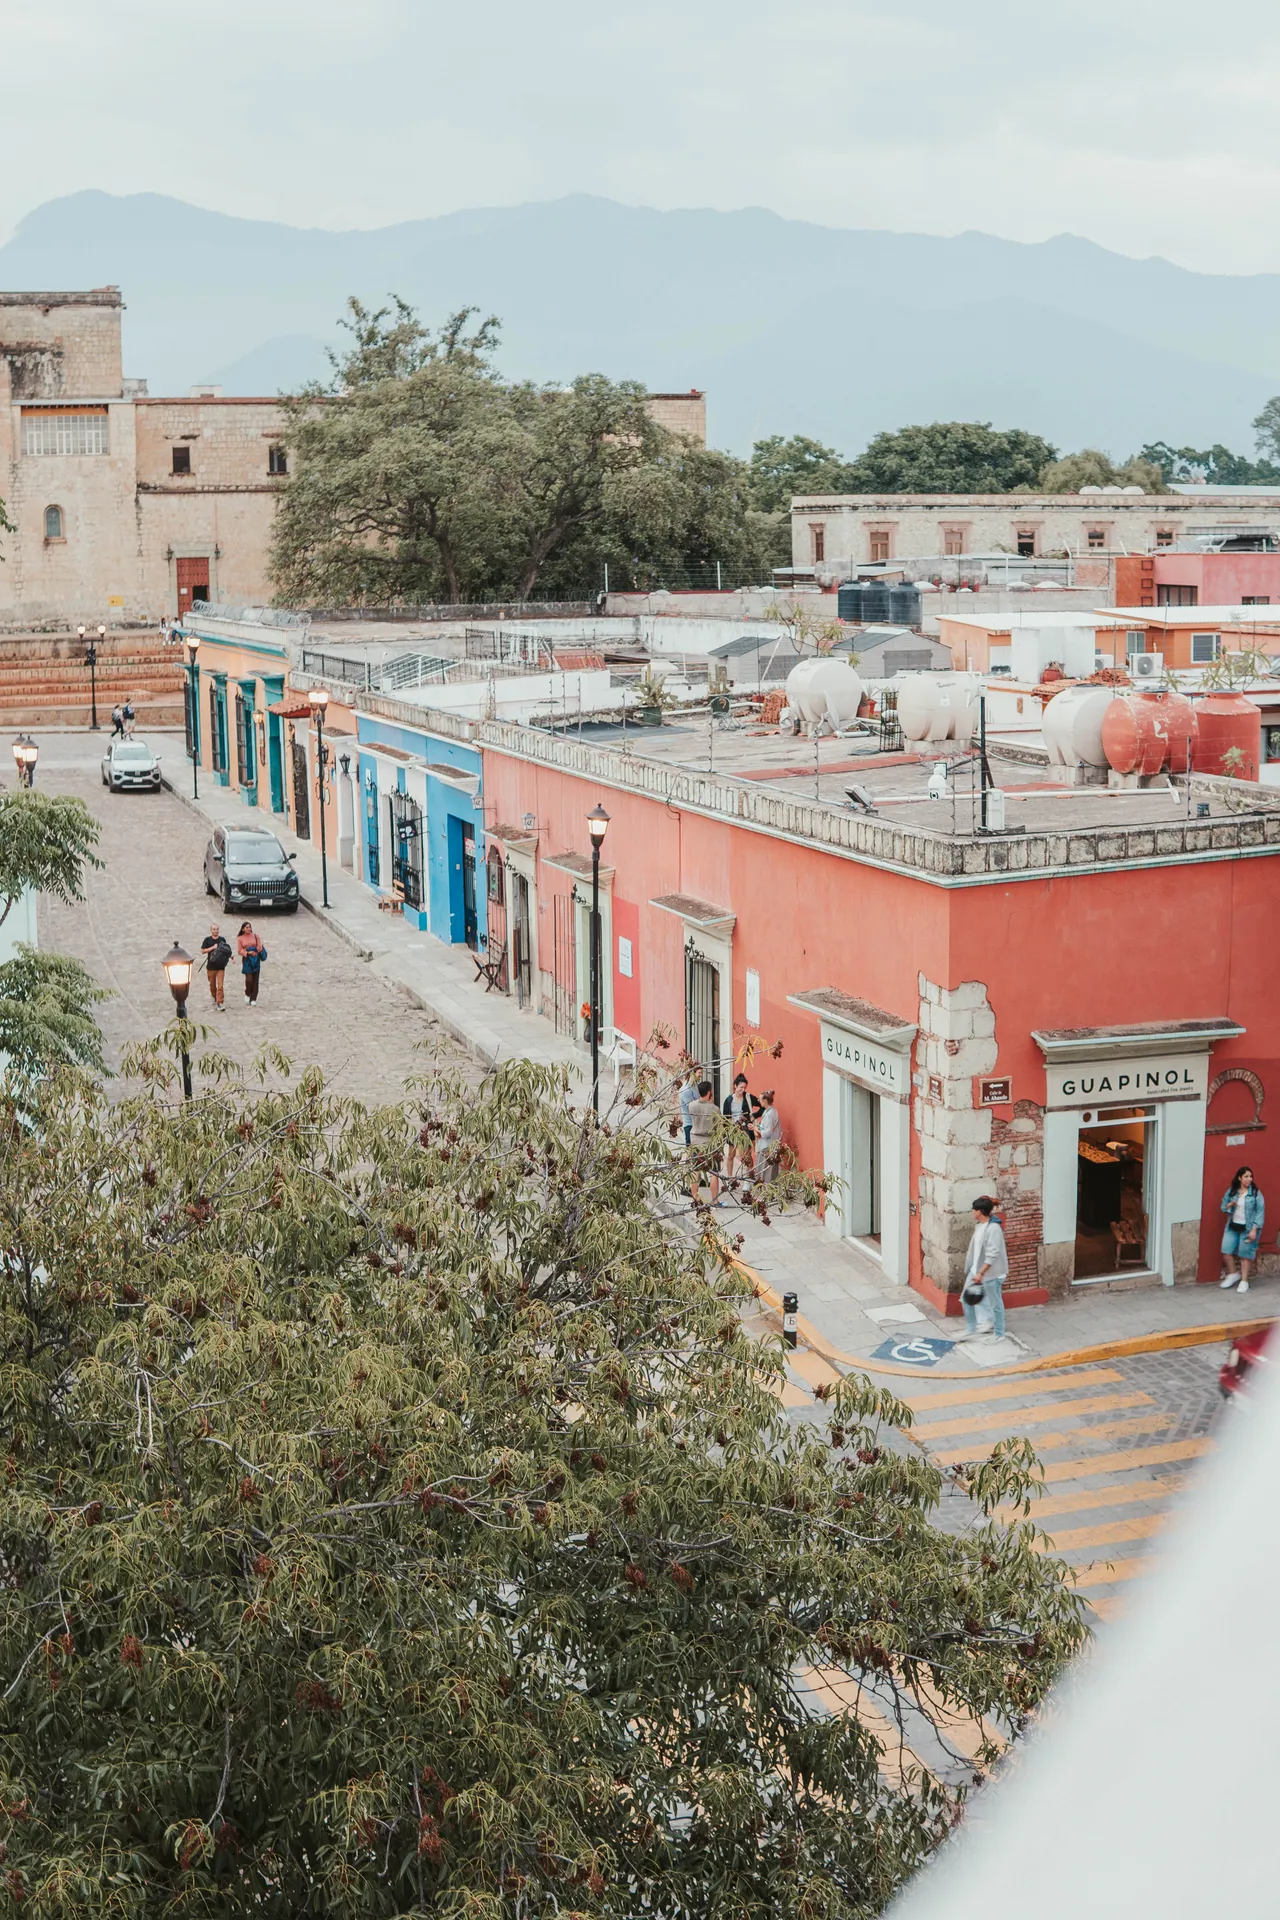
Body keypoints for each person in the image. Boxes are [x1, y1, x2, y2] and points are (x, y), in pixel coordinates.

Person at [958, 1195, 1009, 1341]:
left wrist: (981, 1273)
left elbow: (993, 1254)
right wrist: (972, 1269)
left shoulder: (994, 1229)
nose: (972, 1212)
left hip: (992, 1274)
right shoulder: (979, 1226)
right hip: (976, 1271)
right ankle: (971, 1329)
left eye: (974, 1210)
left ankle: (999, 1334)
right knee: (966, 1299)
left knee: (996, 1304)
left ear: (980, 1211)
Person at [1220, 1166, 1264, 1294]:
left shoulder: (1255, 1193)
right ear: (1239, 1178)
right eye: (1246, 1176)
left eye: (1250, 1177)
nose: (1249, 1179)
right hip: (1233, 1226)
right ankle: (1233, 1274)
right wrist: (1230, 1205)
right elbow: (1223, 1207)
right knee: (1226, 1250)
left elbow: (1260, 1213)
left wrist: (1254, 1229)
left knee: (1245, 1255)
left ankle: (1244, 1281)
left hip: (1248, 1228)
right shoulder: (1232, 1191)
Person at [688, 1079, 722, 1207]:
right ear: (709, 1092)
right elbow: (719, 1126)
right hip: (710, 1142)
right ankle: (715, 1200)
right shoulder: (715, 1109)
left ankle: (695, 1198)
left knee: (695, 1170)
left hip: (696, 1140)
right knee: (714, 1172)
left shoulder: (692, 1105)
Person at [722, 1072, 758, 1181]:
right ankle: (730, 1178)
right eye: (741, 1087)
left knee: (747, 1155)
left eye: (744, 1087)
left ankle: (749, 1178)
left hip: (746, 1130)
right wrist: (726, 1131)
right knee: (731, 1155)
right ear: (735, 1086)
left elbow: (761, 1105)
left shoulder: (748, 1097)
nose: (743, 1090)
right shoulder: (729, 1100)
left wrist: (753, 1116)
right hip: (733, 1130)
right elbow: (725, 1118)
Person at [200, 922, 231, 1011]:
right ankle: (214, 996)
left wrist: (231, 957)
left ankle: (220, 1002)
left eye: (217, 929)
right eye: (214, 929)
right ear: (211, 930)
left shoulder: (222, 939)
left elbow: (226, 950)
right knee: (212, 985)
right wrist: (212, 948)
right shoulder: (207, 940)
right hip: (211, 966)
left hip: (221, 966)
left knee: (220, 985)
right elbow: (202, 951)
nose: (216, 931)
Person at [754, 1089, 781, 1185]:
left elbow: (767, 1132)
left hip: (767, 1146)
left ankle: (767, 1191)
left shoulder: (770, 1114)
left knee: (766, 1172)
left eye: (760, 1099)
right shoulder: (768, 1111)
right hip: (767, 1145)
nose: (759, 1101)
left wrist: (757, 1129)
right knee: (766, 1171)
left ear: (765, 1101)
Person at [237, 921, 267, 1006]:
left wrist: (256, 951)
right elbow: (239, 951)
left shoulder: (255, 936)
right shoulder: (240, 938)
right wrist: (248, 953)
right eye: (246, 927)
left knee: (255, 979)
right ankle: (247, 993)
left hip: (256, 958)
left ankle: (253, 998)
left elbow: (260, 946)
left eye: (249, 927)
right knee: (249, 979)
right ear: (243, 929)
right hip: (247, 959)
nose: (248, 929)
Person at [678, 1066, 702, 1147]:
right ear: (692, 1073)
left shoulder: (695, 1085)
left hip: (698, 1123)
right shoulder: (686, 1090)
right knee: (691, 1151)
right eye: (699, 1073)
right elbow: (692, 1107)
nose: (701, 1075)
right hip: (690, 1125)